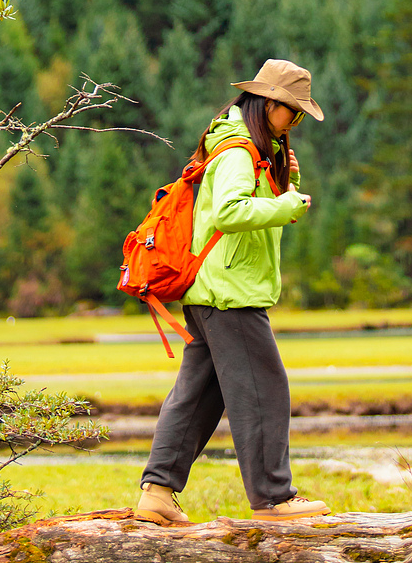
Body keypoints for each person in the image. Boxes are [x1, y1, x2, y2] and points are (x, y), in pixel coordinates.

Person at [135, 59, 330, 526]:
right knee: (266, 390)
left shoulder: (239, 146)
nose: (296, 122)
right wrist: (286, 205)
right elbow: (229, 212)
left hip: (210, 292)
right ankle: (273, 498)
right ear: (269, 105)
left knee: (199, 395)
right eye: (293, 112)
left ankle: (157, 492)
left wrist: (288, 181)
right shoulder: (239, 152)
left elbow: (245, 205)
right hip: (230, 292)